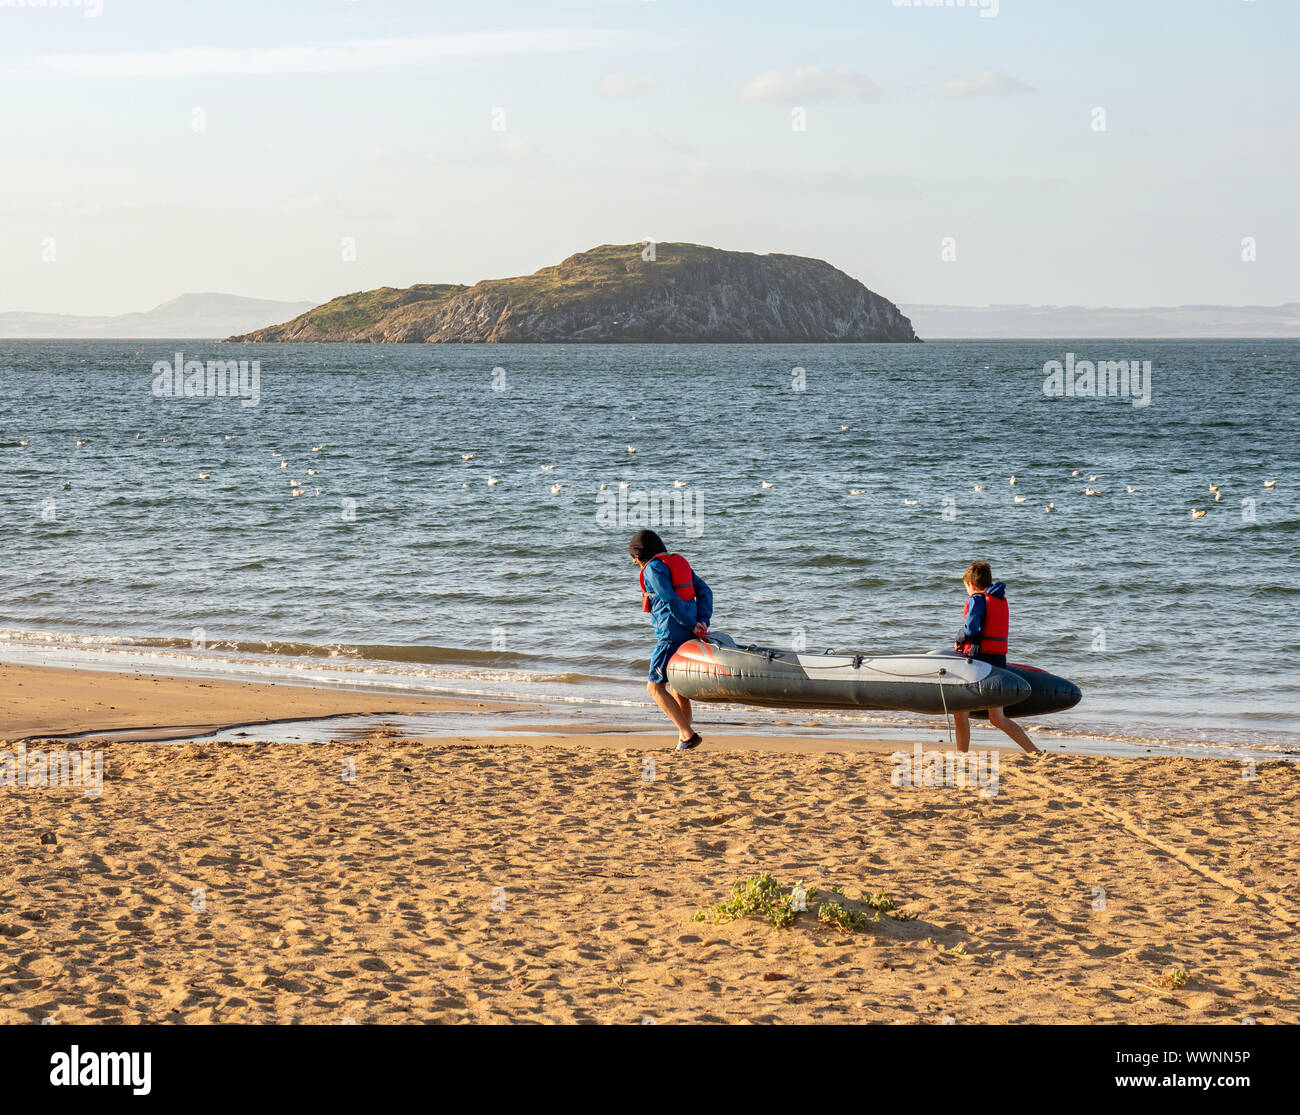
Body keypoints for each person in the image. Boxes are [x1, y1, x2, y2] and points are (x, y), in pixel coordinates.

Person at [629, 529, 713, 750]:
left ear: (638, 556)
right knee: (677, 687)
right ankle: (683, 740)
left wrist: (690, 622)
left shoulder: (652, 569)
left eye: (634, 559)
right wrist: (702, 621)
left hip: (670, 636)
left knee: (654, 688)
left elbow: (668, 599)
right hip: (690, 632)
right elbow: (705, 591)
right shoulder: (678, 562)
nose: (635, 563)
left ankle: (687, 734)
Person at [950, 561, 1040, 755]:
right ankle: (1034, 752)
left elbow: (972, 629)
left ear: (971, 585)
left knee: (960, 713)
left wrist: (959, 637)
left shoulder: (977, 599)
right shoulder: (999, 599)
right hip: (998, 662)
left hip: (979, 663)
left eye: (966, 587)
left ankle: (961, 754)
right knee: (998, 718)